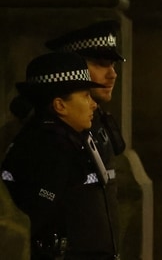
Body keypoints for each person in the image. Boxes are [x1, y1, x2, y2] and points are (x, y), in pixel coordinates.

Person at [1, 51, 117, 259]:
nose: (93, 104)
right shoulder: (49, 147)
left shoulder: (69, 140)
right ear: (59, 105)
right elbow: (38, 213)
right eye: (85, 96)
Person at [44, 20, 127, 256]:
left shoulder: (98, 119)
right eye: (101, 64)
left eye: (112, 64)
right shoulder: (54, 130)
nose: (112, 74)